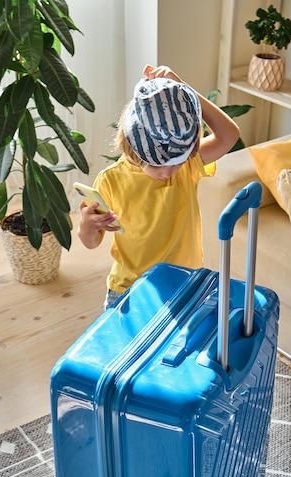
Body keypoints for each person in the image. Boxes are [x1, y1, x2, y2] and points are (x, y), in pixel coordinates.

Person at [77, 64, 240, 309]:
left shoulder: (188, 165)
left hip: (183, 285)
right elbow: (91, 242)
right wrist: (87, 226)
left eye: (176, 162)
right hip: (128, 290)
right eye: (158, 164)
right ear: (133, 148)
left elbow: (229, 135)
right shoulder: (109, 181)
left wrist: (183, 90)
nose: (168, 172)